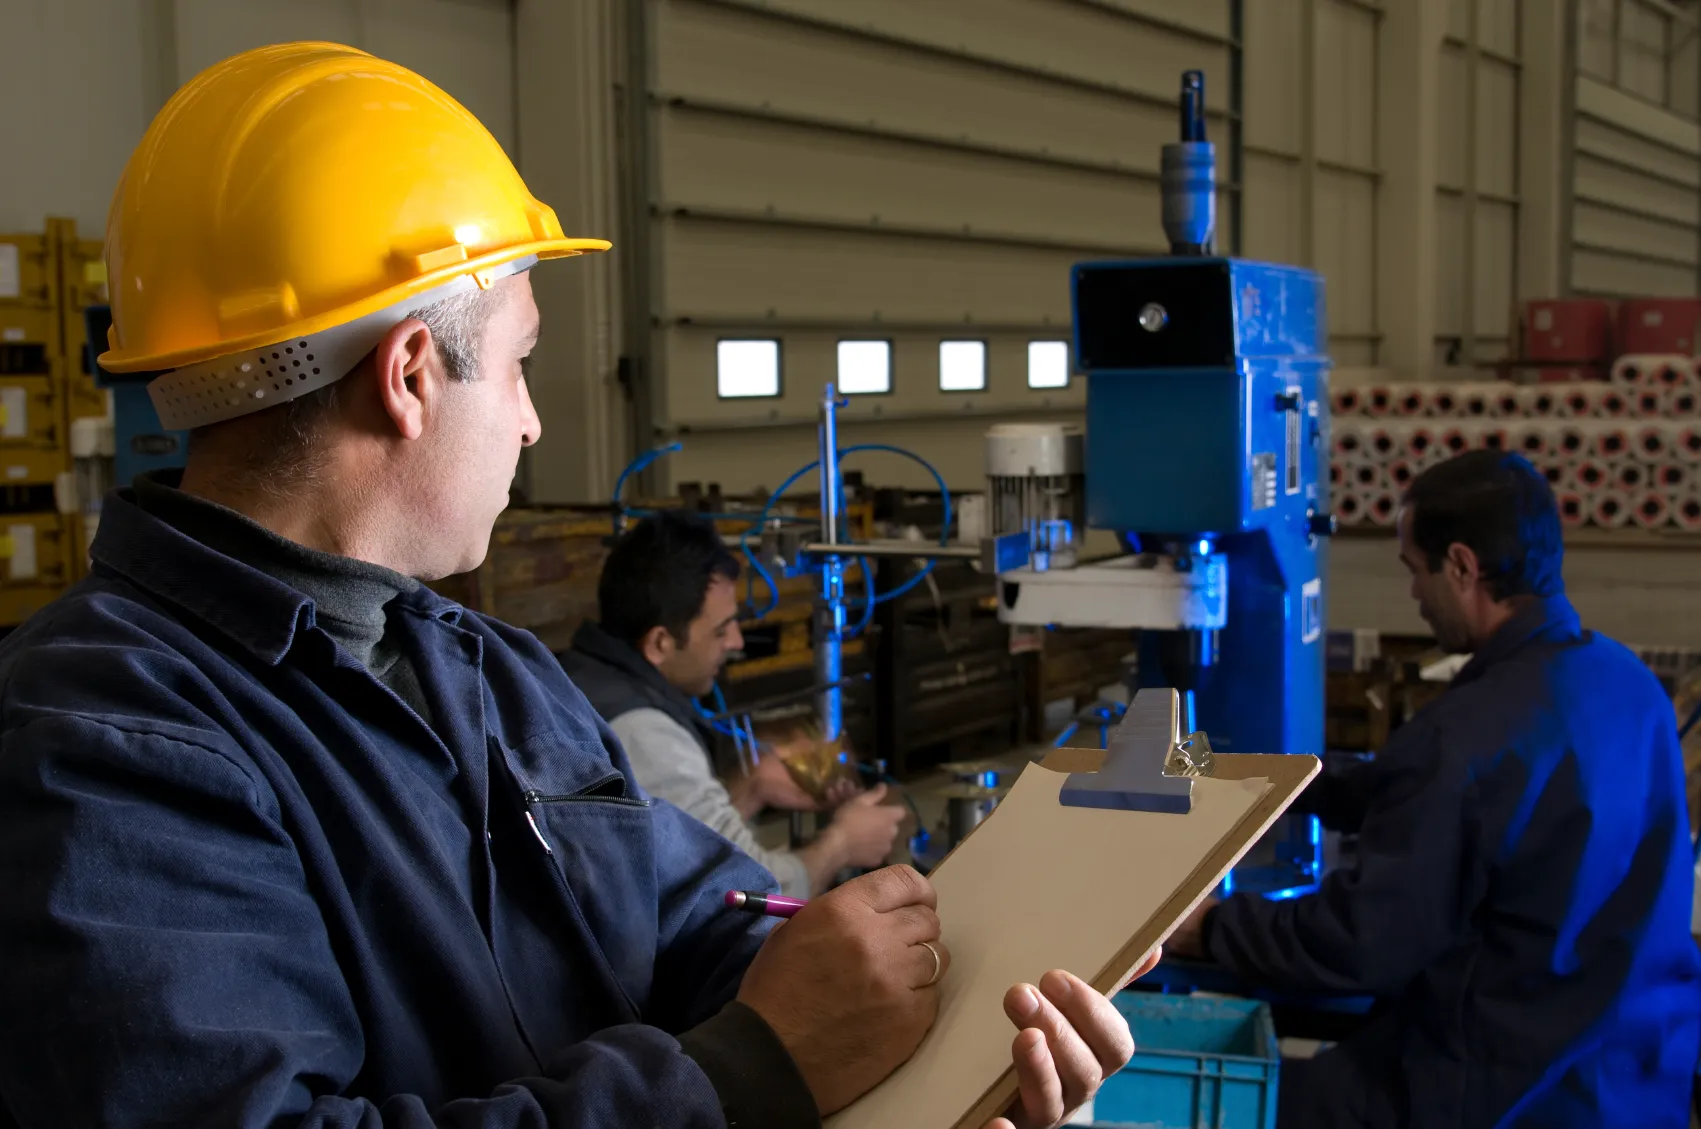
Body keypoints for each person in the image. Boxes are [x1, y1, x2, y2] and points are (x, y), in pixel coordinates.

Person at [0, 43, 1143, 1129]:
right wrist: (747, 1072)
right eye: (520, 363)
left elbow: (695, 924)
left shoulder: (489, 673)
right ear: (410, 375)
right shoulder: (106, 741)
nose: (535, 419)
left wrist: (946, 1010)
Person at [1169, 450, 1701, 1128]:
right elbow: (1436, 787)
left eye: (1412, 571)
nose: (1414, 594)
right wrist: (1271, 780)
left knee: (1257, 1103)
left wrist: (1212, 926)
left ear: (1460, 565)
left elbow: (1360, 941)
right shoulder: (1626, 686)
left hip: (1503, 1089)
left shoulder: (1467, 736)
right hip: (1633, 1073)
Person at [558, 511, 904, 897]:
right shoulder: (643, 732)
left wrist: (752, 789)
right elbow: (746, 896)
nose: (737, 642)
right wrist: (842, 844)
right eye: (721, 630)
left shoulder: (584, 676)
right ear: (660, 643)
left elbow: (675, 844)